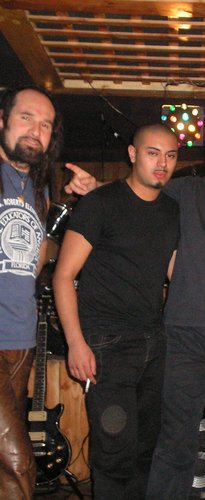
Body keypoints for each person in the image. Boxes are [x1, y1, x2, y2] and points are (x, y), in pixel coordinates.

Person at [65, 111, 205, 500]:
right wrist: (96, 188)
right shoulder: (183, 192)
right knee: (174, 439)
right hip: (180, 335)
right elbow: (136, 194)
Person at [52, 124, 179, 499]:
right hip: (108, 344)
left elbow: (175, 272)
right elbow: (63, 276)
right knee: (114, 454)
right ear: (133, 154)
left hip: (154, 342)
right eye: (153, 153)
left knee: (145, 451)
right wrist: (76, 343)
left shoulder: (172, 210)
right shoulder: (100, 203)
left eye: (170, 155)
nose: (162, 163)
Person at [0, 85, 62, 499]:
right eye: (26, 117)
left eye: (45, 124)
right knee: (18, 463)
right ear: (2, 119)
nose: (35, 131)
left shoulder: (38, 191)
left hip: (21, 341)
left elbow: (34, 264)